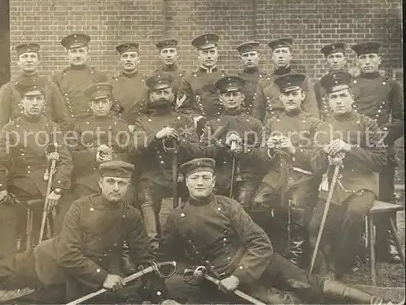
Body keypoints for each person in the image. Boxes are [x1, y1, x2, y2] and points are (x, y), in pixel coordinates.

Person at [157, 158, 393, 305]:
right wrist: (193, 272)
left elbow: (260, 243)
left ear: (213, 182)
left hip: (260, 263)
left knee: (310, 285)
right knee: (282, 302)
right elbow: (169, 259)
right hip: (228, 279)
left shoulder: (228, 206)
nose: (200, 182)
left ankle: (376, 301)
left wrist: (237, 276)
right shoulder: (177, 217)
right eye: (194, 178)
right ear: (185, 183)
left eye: (205, 178)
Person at [0, 161, 174, 304]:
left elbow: (145, 259)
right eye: (110, 181)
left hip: (83, 277)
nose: (115, 188)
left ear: (128, 187)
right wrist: (103, 277)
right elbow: (67, 254)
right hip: (46, 261)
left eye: (121, 183)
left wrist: (162, 298)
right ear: (100, 183)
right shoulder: (80, 207)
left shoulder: (132, 215)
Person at [309, 71, 387, 280]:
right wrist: (325, 153)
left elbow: (381, 160)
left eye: (343, 95)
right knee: (315, 226)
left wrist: (350, 148)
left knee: (353, 214)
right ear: (328, 102)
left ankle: (338, 268)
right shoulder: (323, 126)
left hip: (361, 186)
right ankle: (323, 268)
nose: (339, 101)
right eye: (333, 97)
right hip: (333, 187)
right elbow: (314, 164)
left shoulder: (367, 124)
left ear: (352, 98)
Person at [0, 77, 73, 260]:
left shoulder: (53, 128)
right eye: (30, 99)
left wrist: (57, 189)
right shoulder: (10, 129)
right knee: (5, 211)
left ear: (44, 102)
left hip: (48, 186)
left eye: (38, 99)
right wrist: (0, 188)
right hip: (19, 186)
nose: (34, 103)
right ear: (21, 102)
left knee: (68, 208)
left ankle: (59, 258)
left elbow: (65, 161)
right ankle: (8, 265)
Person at [251, 73, 323, 268]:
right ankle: (272, 248)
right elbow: (261, 157)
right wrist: (270, 149)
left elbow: (318, 158)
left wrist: (293, 150)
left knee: (296, 207)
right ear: (280, 98)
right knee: (259, 202)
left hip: (302, 176)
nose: (290, 98)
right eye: (286, 94)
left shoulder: (314, 123)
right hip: (276, 175)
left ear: (303, 96)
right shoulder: (272, 123)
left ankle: (297, 259)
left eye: (294, 93)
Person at [129, 73, 201, 250]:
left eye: (166, 92)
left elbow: (197, 149)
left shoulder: (184, 120)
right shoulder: (143, 121)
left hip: (180, 176)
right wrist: (156, 137)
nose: (162, 95)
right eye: (157, 92)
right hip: (153, 176)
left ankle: (187, 243)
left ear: (172, 95)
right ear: (151, 96)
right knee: (146, 198)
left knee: (192, 204)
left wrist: (179, 141)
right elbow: (133, 147)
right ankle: (152, 245)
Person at [53, 82, 132, 235]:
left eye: (104, 102)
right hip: (87, 179)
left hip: (116, 177)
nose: (101, 106)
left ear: (110, 103)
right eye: (97, 102)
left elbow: (130, 154)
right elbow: (71, 155)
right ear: (90, 104)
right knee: (79, 210)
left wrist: (112, 158)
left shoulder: (121, 125)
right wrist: (93, 155)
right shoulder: (80, 126)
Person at [350, 41, 404, 263]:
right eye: (363, 58)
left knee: (385, 196)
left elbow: (401, 119)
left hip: (382, 149)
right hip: (357, 150)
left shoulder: (391, 85)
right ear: (358, 61)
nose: (368, 61)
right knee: (355, 197)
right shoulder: (350, 85)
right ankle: (357, 244)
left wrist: (382, 137)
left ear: (379, 60)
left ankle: (385, 243)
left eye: (372, 57)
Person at [200, 75, 263, 207]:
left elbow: (262, 155)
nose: (231, 98)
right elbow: (203, 152)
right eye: (227, 95)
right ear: (221, 98)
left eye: (235, 94)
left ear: (242, 97)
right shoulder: (212, 124)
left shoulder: (254, 124)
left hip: (247, 178)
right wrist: (223, 145)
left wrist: (244, 147)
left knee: (242, 211)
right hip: (221, 177)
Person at [0, 43, 69, 136]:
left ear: (39, 61)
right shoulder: (8, 89)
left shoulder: (50, 87)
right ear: (18, 61)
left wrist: (56, 143)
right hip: (19, 141)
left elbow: (63, 119)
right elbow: (0, 125)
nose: (29, 60)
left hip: (46, 141)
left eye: (33, 56)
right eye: (24, 56)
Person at [251, 37, 319, 123]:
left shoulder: (302, 79)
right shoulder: (264, 82)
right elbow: (257, 113)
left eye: (284, 52)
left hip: (297, 126)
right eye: (277, 52)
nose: (280, 56)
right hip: (272, 128)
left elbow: (311, 108)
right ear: (272, 57)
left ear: (291, 56)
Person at [176, 33, 226, 135]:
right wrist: (196, 118)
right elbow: (181, 109)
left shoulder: (226, 78)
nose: (209, 56)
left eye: (212, 52)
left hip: (224, 127)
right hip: (199, 129)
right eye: (205, 52)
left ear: (217, 54)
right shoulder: (189, 80)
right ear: (198, 55)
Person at [51, 33, 108, 121]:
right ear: (67, 54)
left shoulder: (98, 76)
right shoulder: (58, 78)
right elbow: (54, 107)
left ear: (87, 54)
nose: (78, 56)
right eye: (73, 51)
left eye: (81, 51)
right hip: (67, 127)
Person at [313, 42, 354, 120]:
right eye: (331, 57)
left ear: (345, 60)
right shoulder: (319, 85)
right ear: (327, 60)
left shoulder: (353, 81)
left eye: (338, 56)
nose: (335, 60)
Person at [111, 41, 149, 124]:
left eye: (132, 56)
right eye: (125, 56)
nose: (128, 59)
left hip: (142, 128)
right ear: (119, 60)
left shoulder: (147, 83)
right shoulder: (112, 84)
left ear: (139, 60)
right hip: (119, 128)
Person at [236, 41, 267, 115]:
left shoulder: (266, 78)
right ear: (240, 59)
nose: (249, 58)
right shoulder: (237, 80)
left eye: (252, 54)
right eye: (245, 55)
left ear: (259, 56)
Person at [154, 38, 186, 103]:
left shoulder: (185, 76)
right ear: (159, 56)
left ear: (177, 55)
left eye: (172, 51)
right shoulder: (154, 77)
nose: (168, 55)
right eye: (165, 52)